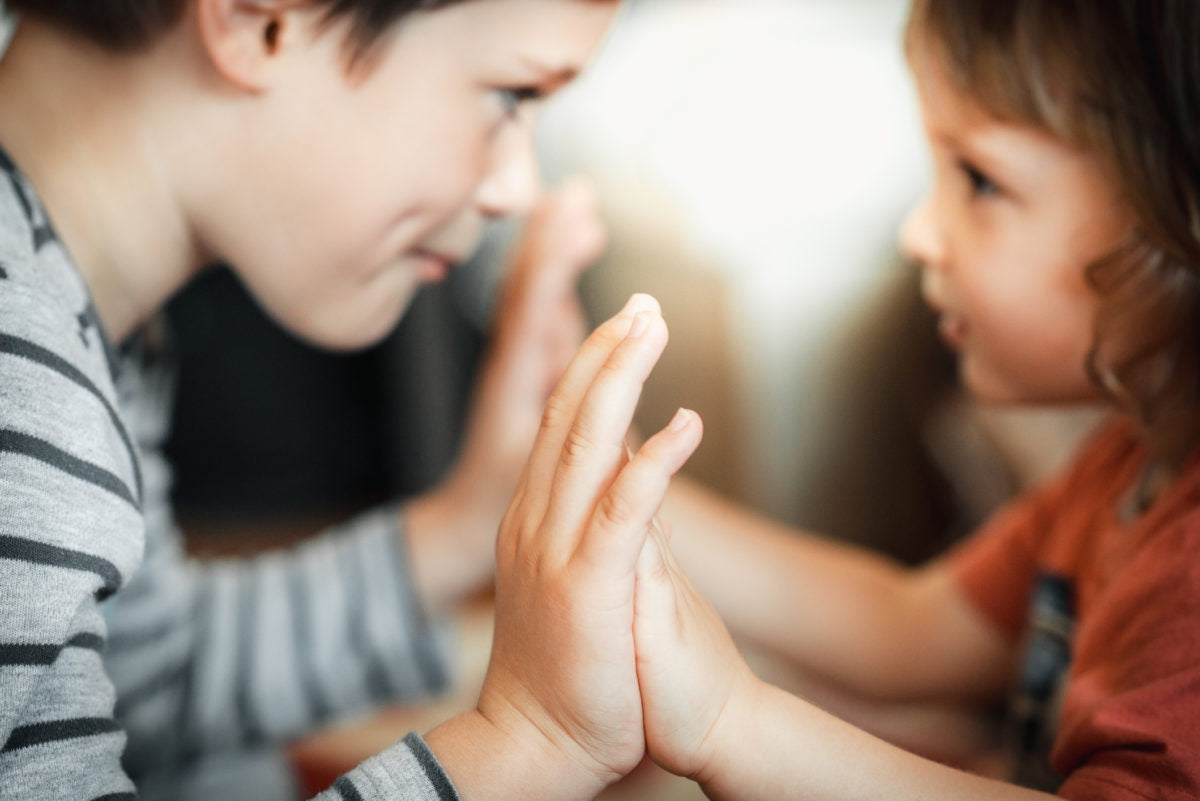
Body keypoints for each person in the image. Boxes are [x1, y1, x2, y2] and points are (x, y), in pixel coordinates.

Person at [0, 1, 704, 800]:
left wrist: (465, 525)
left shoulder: (71, 309)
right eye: (512, 95)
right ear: (254, 18)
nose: (518, 187)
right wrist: (533, 743)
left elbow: (145, 679)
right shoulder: (18, 368)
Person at [598, 0, 1200, 798]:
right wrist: (624, 484)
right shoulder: (1124, 471)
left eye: (980, 180)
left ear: (1177, 225)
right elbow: (904, 629)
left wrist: (730, 721)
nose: (920, 231)